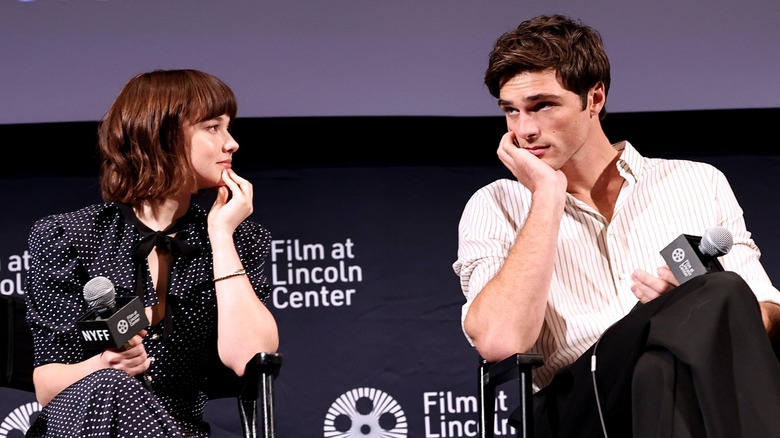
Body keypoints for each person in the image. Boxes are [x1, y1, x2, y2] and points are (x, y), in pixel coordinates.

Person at [453, 14, 780, 437]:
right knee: (712, 297)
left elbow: (768, 314)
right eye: (510, 112)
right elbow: (498, 341)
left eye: (542, 106)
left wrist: (689, 313)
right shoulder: (495, 204)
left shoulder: (698, 182)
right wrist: (546, 196)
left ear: (595, 98)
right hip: (578, 405)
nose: (524, 130)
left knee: (673, 353)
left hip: (678, 387)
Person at [24, 69, 279, 437]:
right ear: (163, 136)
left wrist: (221, 235)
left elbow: (250, 359)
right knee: (109, 386)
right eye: (213, 127)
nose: (232, 143)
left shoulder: (240, 240)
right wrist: (102, 365)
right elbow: (46, 387)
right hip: (81, 422)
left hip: (173, 429)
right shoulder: (68, 236)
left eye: (228, 127)